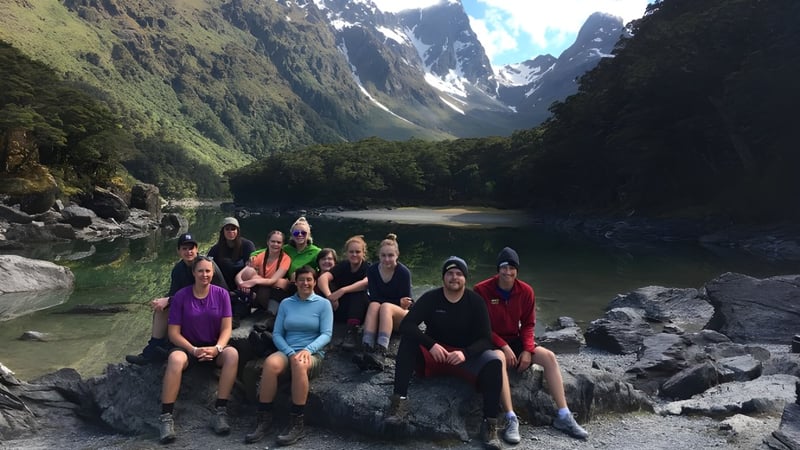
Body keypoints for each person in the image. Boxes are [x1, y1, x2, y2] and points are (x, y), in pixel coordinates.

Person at [384, 257, 504, 450]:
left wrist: (466, 353)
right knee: (408, 341)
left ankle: (490, 425)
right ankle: (399, 403)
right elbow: (408, 325)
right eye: (449, 273)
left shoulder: (475, 302)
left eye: (458, 274)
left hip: (465, 359)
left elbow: (486, 339)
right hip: (435, 357)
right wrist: (431, 345)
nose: (454, 277)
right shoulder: (431, 298)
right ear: (443, 277)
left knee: (494, 361)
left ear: (465, 278)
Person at [473, 247, 589, 443]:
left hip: (516, 339)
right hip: (491, 340)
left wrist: (527, 350)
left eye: (512, 268)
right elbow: (481, 327)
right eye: (504, 267)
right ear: (497, 269)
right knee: (499, 360)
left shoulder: (526, 291)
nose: (508, 272)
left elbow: (528, 324)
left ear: (517, 270)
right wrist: (503, 346)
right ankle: (510, 419)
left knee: (549, 357)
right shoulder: (481, 290)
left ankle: (564, 415)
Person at [245, 266, 333, 446]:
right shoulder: (286, 303)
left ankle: (297, 422)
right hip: (288, 350)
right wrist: (290, 352)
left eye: (309, 279)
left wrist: (307, 350)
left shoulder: (323, 304)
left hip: (312, 353)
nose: (305, 283)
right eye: (301, 280)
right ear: (296, 282)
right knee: (270, 363)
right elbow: (277, 333)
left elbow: (326, 334)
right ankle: (264, 418)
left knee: (300, 364)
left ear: (315, 282)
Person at [157, 256, 239, 444]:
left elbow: (227, 328)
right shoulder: (181, 296)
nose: (205, 275)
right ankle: (166, 417)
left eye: (208, 271)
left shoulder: (221, 294)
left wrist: (217, 348)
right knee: (175, 360)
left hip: (213, 347)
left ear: (213, 273)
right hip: (187, 348)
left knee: (232, 354)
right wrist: (193, 350)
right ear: (193, 273)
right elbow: (174, 333)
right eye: (200, 271)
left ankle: (220, 411)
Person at [126, 233, 228, 365]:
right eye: (184, 249)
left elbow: (220, 294)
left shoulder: (207, 266)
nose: (188, 252)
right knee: (161, 308)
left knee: (169, 303)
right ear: (178, 251)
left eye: (191, 248)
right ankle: (153, 350)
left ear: (197, 249)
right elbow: (174, 295)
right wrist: (165, 301)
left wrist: (170, 300)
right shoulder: (178, 269)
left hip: (212, 307)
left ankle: (168, 347)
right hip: (191, 306)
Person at [359, 233, 412, 369]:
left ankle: (381, 351)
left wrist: (396, 303)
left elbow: (407, 301)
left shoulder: (403, 272)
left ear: (397, 255)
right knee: (374, 305)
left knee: (386, 306)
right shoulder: (372, 270)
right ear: (379, 255)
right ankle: (367, 348)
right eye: (383, 255)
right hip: (383, 313)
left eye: (390, 255)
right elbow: (375, 297)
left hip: (401, 316)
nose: (387, 259)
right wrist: (396, 301)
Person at [316, 235, 370, 350]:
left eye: (357, 252)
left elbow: (365, 283)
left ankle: (352, 331)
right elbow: (323, 279)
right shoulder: (343, 265)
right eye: (351, 252)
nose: (354, 255)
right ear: (346, 253)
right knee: (327, 286)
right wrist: (330, 296)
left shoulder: (367, 267)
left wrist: (343, 290)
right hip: (339, 307)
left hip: (358, 310)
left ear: (363, 253)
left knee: (358, 293)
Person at [235, 230, 292, 316]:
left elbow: (273, 281)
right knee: (249, 271)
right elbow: (240, 275)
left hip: (273, 294)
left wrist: (253, 281)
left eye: (278, 242)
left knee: (282, 282)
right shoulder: (260, 256)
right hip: (259, 292)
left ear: (282, 244)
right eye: (273, 241)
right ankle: (240, 311)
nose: (275, 244)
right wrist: (242, 284)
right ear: (268, 242)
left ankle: (269, 315)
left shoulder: (286, 259)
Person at [207, 217, 256, 290]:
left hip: (243, 284)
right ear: (223, 231)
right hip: (223, 285)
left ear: (238, 231)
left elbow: (252, 268)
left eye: (233, 229)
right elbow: (208, 264)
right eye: (227, 229)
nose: (230, 231)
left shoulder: (247, 245)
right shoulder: (216, 249)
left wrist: (243, 284)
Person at [282, 217, 322, 287]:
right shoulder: (285, 249)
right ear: (292, 235)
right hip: (288, 284)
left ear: (309, 234)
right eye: (296, 233)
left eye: (303, 233)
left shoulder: (317, 251)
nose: (300, 235)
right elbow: (264, 251)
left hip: (307, 285)